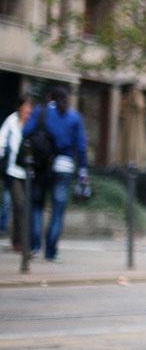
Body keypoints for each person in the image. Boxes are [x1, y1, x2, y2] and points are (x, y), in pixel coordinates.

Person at [22, 86, 88, 262]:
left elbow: (25, 132)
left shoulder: (40, 112)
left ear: (50, 97)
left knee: (36, 206)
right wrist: (83, 170)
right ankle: (51, 252)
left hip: (42, 165)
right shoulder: (74, 117)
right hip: (64, 167)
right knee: (58, 211)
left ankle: (35, 247)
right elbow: (81, 147)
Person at [1, 94, 33, 249]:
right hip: (13, 170)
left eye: (30, 107)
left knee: (24, 206)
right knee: (19, 204)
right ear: (20, 107)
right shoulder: (11, 121)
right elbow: (1, 141)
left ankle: (18, 240)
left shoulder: (32, 123)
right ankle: (19, 242)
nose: (28, 109)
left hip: (29, 172)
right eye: (26, 106)